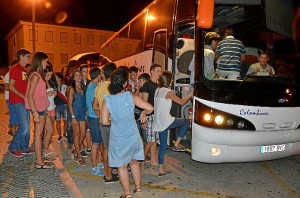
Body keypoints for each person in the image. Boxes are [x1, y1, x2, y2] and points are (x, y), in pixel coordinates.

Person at [101, 68, 153, 198]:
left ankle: (127, 193)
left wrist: (115, 119)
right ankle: (138, 188)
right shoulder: (131, 96)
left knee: (122, 165)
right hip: (133, 135)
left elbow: (104, 122)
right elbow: (150, 108)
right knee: (134, 162)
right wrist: (143, 113)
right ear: (125, 84)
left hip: (118, 137)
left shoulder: (107, 100)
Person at [153, 70, 193, 176]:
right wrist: (190, 94)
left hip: (158, 122)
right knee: (186, 122)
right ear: (170, 81)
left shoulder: (158, 90)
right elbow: (181, 102)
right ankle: (176, 144)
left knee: (162, 147)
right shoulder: (167, 92)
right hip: (166, 121)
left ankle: (161, 169)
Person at [25, 51, 54, 169]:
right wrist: (35, 112)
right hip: (39, 110)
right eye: (46, 61)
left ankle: (42, 155)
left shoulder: (38, 75)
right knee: (38, 135)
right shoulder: (36, 76)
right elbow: (29, 95)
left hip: (43, 108)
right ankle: (39, 162)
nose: (47, 64)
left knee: (49, 130)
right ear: (40, 60)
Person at [93, 62, 119, 184]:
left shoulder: (99, 86)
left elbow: (94, 106)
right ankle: (108, 176)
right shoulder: (114, 87)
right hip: (112, 123)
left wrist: (102, 117)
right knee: (110, 149)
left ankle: (108, 173)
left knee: (106, 148)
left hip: (102, 123)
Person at [8, 48, 34, 157]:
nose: (29, 58)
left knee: (27, 126)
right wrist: (23, 96)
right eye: (27, 56)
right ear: (21, 56)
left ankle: (24, 147)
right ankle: (13, 147)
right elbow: (11, 86)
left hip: (25, 101)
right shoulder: (15, 69)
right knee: (24, 126)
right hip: (18, 101)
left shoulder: (24, 70)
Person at [140, 64, 162, 165]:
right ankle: (142, 159)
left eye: (160, 71)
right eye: (157, 71)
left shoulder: (157, 85)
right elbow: (144, 102)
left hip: (155, 115)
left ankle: (153, 160)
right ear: (152, 72)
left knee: (154, 139)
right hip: (149, 115)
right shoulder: (147, 85)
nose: (159, 73)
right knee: (150, 140)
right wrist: (143, 117)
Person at [86, 67, 104, 176]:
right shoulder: (93, 88)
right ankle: (94, 166)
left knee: (98, 141)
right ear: (98, 76)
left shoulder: (92, 86)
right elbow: (94, 106)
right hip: (94, 117)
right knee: (96, 142)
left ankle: (97, 162)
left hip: (94, 117)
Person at [68, 69, 87, 166]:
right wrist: (73, 117)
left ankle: (75, 150)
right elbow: (70, 104)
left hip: (82, 113)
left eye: (80, 75)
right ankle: (79, 156)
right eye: (76, 75)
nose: (79, 76)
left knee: (83, 134)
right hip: (75, 113)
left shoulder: (83, 88)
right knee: (77, 135)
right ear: (73, 78)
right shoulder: (72, 89)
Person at [134, 73, 150, 143]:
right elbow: (133, 99)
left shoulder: (146, 91)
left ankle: (145, 153)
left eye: (140, 80)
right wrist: (137, 90)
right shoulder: (140, 90)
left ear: (144, 81)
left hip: (142, 120)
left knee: (145, 140)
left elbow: (145, 105)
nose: (138, 82)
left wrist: (144, 122)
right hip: (136, 119)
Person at [5, 60, 19, 137]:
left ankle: (11, 129)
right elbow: (7, 87)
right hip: (10, 99)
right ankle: (14, 136)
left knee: (16, 117)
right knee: (14, 116)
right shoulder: (8, 75)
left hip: (15, 98)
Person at [80, 64, 91, 155]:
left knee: (88, 128)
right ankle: (81, 147)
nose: (85, 73)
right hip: (80, 107)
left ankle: (88, 146)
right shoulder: (77, 82)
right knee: (81, 129)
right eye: (84, 71)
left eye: (86, 71)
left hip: (88, 107)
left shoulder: (89, 82)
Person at [54, 72, 68, 143]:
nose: (54, 78)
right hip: (56, 106)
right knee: (58, 122)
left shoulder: (65, 86)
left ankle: (64, 135)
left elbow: (67, 96)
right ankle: (59, 136)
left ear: (59, 78)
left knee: (66, 121)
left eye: (55, 77)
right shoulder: (53, 87)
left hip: (65, 105)